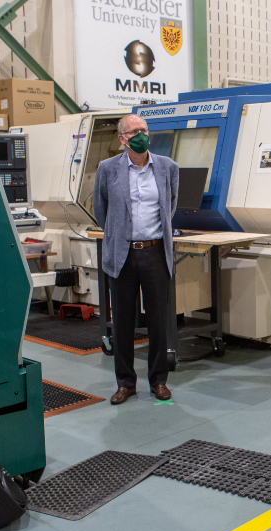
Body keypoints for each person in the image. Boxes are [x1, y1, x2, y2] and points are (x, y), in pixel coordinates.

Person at [93, 114, 179, 405]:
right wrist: (119, 236)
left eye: (144, 129)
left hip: (155, 251)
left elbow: (171, 206)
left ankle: (159, 381)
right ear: (122, 138)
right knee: (123, 322)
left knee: (158, 320)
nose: (141, 134)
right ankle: (126, 383)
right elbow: (100, 210)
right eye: (134, 131)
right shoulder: (107, 169)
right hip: (122, 254)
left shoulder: (168, 167)